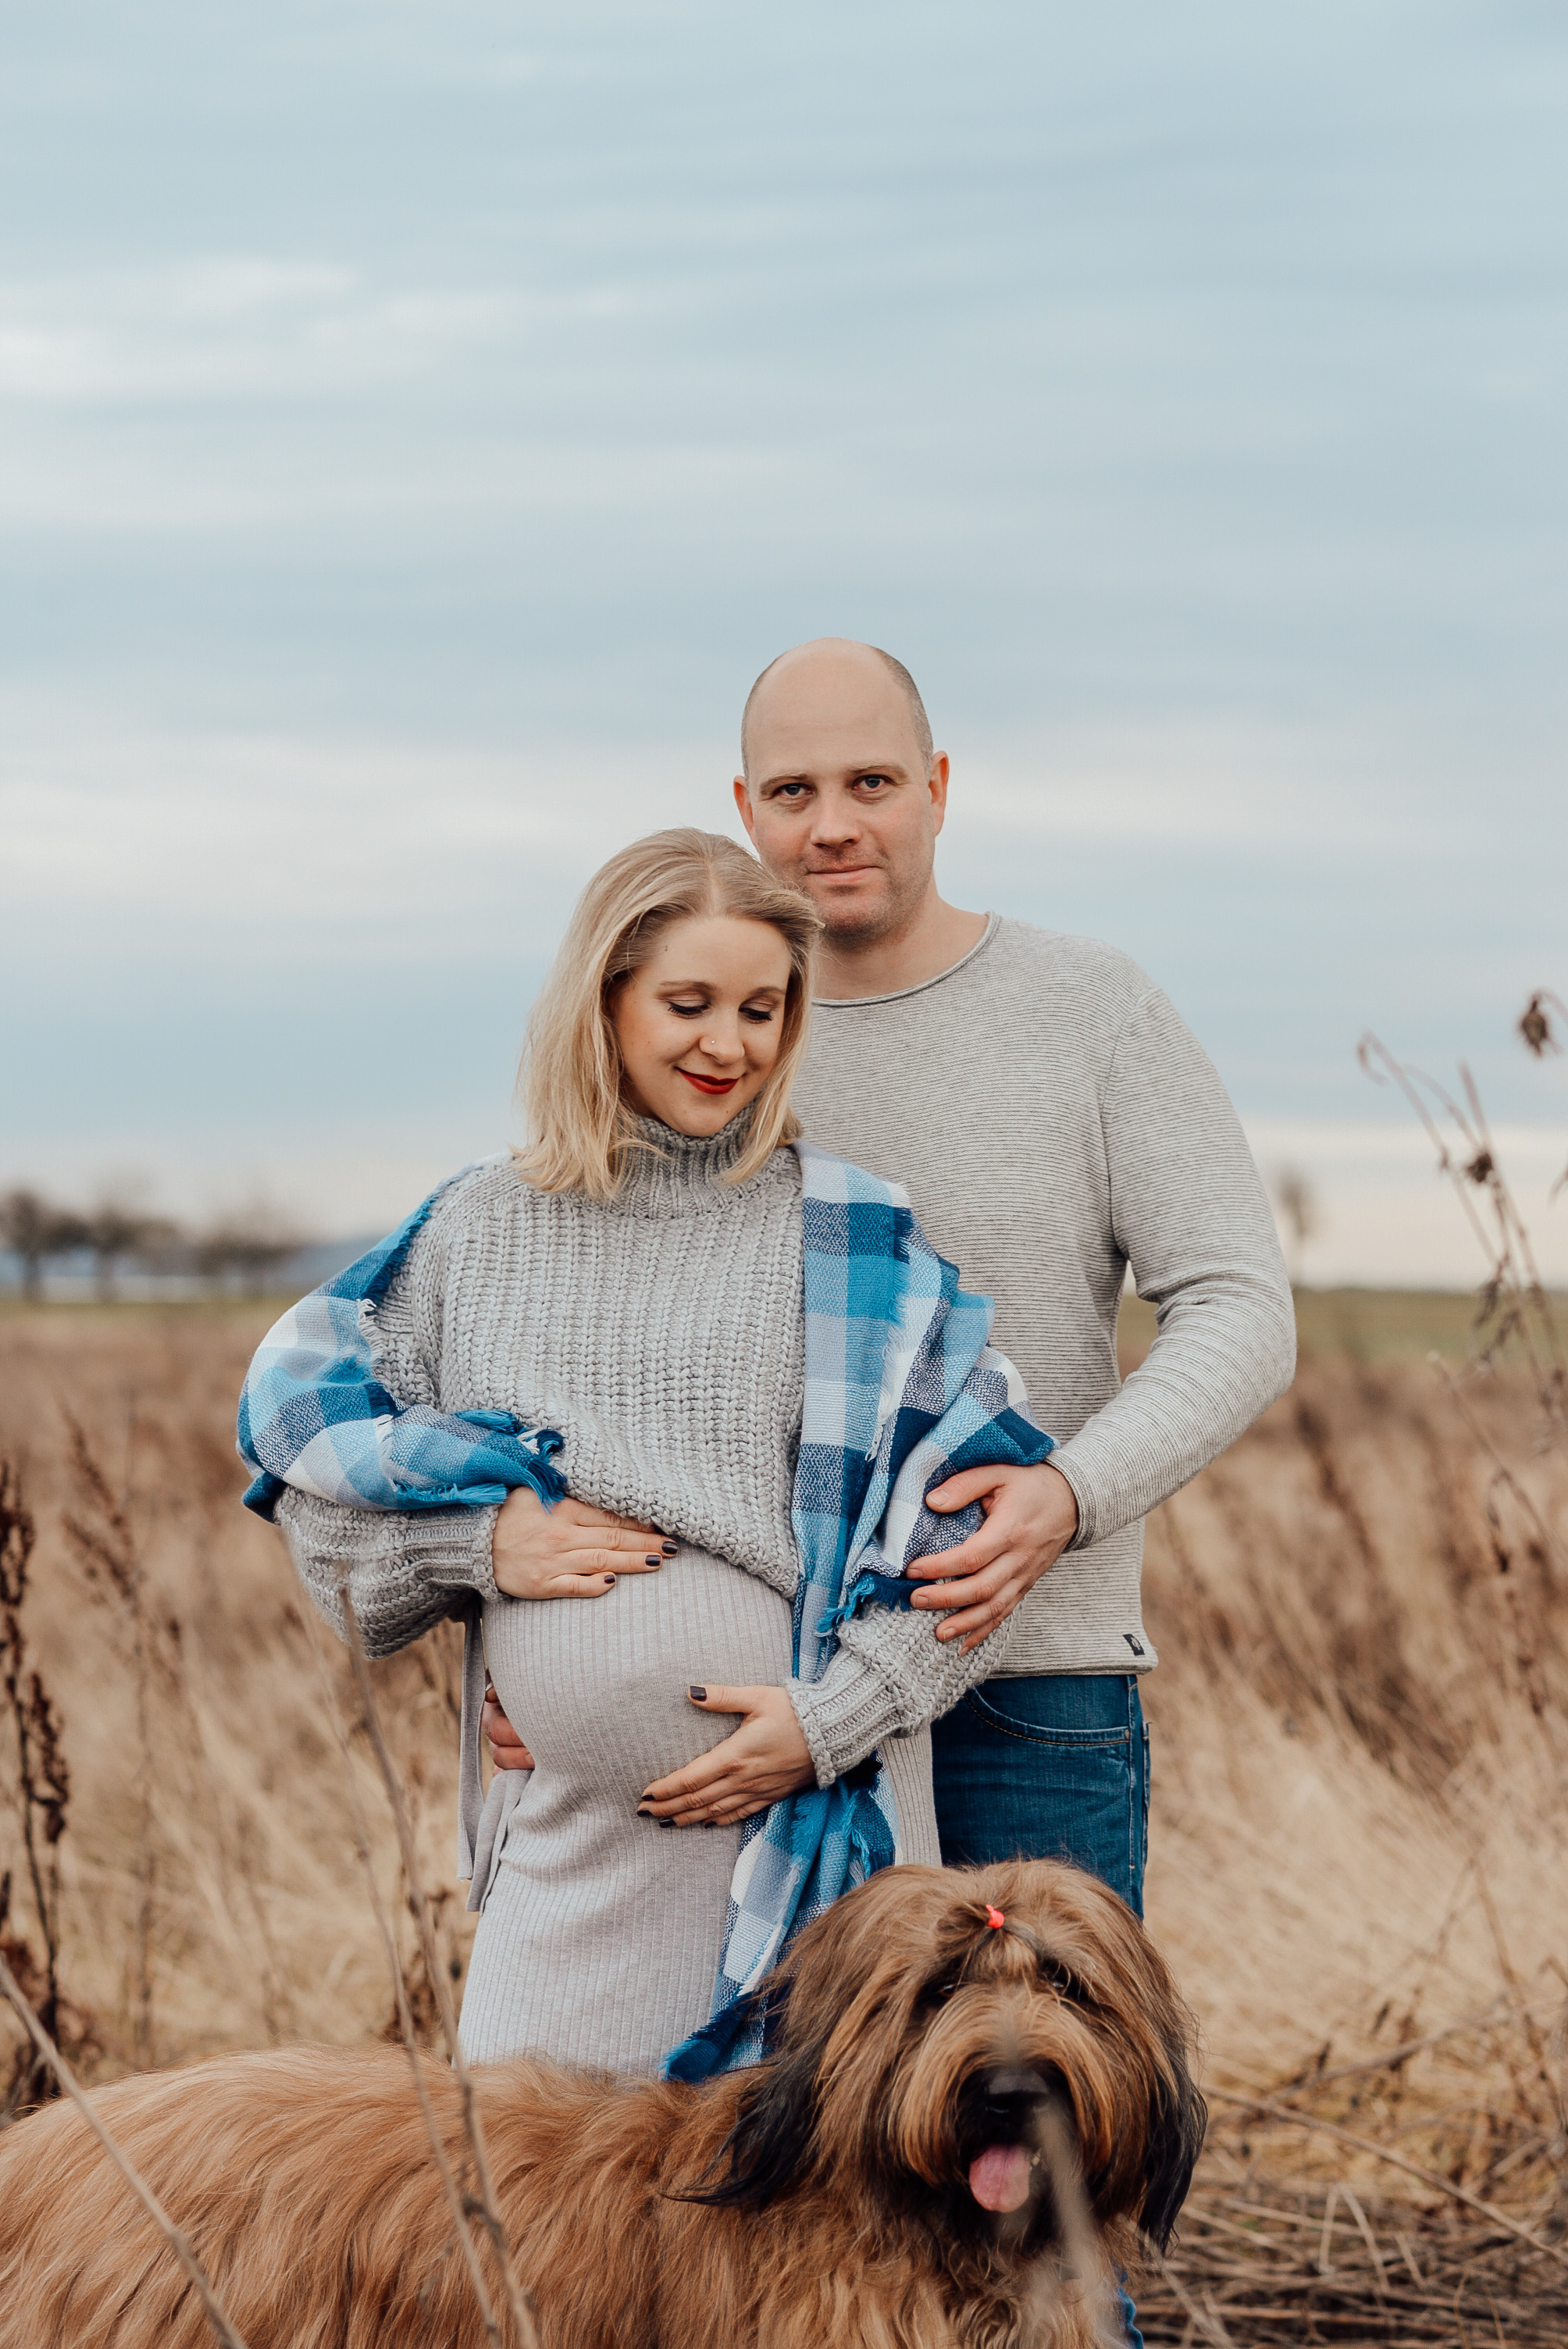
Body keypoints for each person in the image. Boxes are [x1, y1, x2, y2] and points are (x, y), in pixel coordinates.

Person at [484, 640, 1297, 1921]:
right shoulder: (706, 1039)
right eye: (795, 794)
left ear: (939, 786)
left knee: (1052, 2116)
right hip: (738, 1708)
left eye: (872, 782)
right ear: (745, 809)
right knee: (753, 2123)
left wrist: (1067, 1497)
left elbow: (1241, 1306)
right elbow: (574, 1370)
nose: (834, 826)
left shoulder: (1091, 1008)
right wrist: (540, 1652)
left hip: (1025, 1697)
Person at [241, 828, 1055, 2080]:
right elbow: (317, 1476)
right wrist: (478, 1542)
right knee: (533, 2232)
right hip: (564, 1867)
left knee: (784, 2251)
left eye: (762, 1010)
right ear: (605, 999)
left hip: (814, 1863)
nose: (726, 1045)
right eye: (687, 1002)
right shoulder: (477, 1232)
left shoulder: (858, 1241)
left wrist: (836, 1720)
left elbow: (975, 1543)